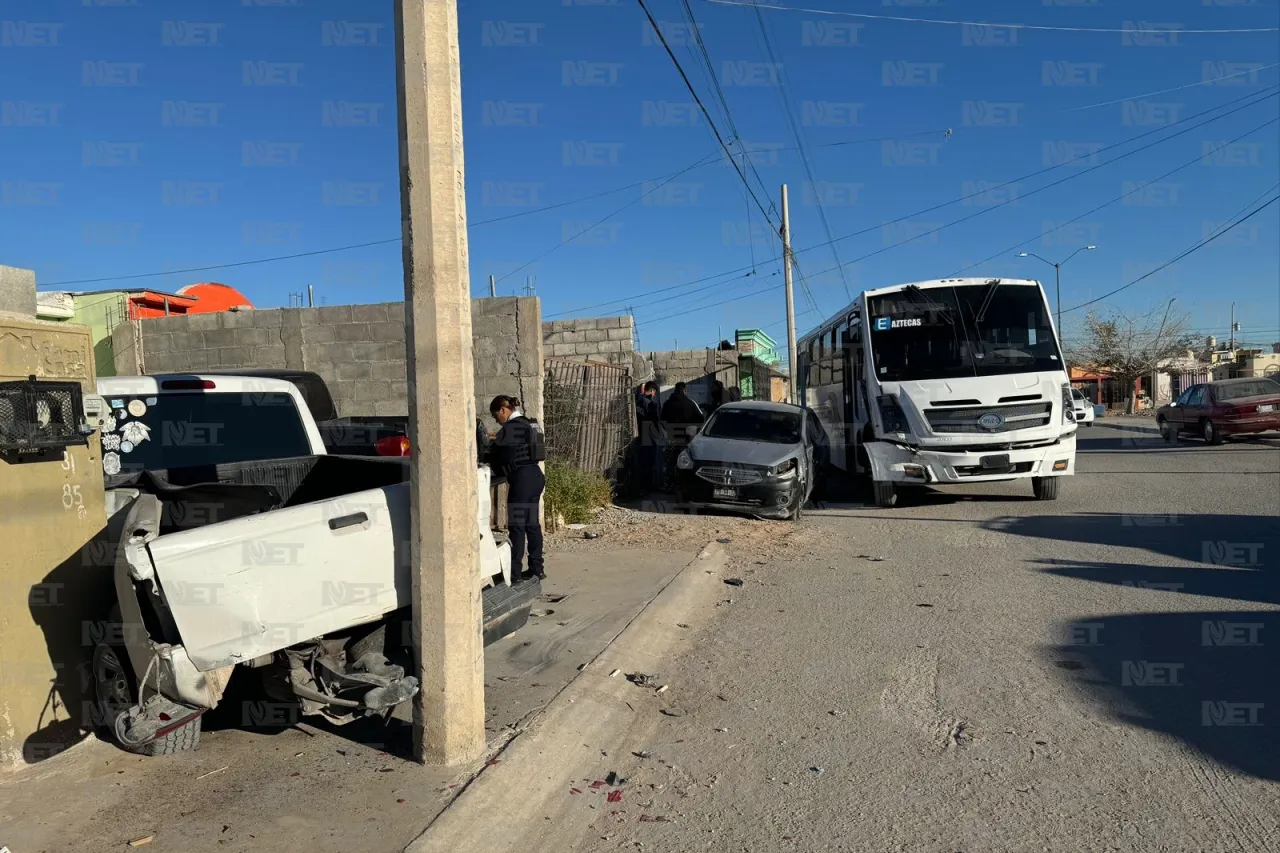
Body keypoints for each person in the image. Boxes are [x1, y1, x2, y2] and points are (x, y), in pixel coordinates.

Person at [489, 395, 545, 581]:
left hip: (521, 480)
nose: (496, 420)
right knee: (532, 525)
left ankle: (514, 574)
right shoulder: (530, 424)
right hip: (535, 476)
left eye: (496, 415)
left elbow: (498, 456)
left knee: (517, 527)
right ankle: (537, 569)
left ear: (503, 410)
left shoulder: (510, 429)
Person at [659, 381, 704, 483]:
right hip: (687, 438)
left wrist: (668, 430)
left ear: (675, 390)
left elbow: (662, 420)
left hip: (672, 437)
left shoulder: (667, 404)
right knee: (686, 460)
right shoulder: (691, 403)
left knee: (672, 460)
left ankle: (670, 482)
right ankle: (685, 482)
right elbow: (701, 419)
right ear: (685, 390)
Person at [634, 381, 661, 492]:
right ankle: (647, 487)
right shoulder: (650, 404)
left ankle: (640, 486)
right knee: (649, 463)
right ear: (652, 391)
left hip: (637, 434)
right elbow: (654, 421)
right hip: (648, 436)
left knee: (640, 462)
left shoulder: (637, 400)